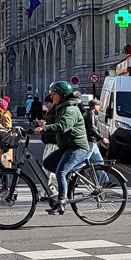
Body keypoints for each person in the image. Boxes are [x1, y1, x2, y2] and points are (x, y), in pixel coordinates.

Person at [35, 80, 89, 212]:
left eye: (54, 94)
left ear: (62, 95)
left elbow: (63, 127)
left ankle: (61, 202)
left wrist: (44, 128)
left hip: (77, 146)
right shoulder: (63, 107)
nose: (52, 96)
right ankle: (68, 177)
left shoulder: (69, 109)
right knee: (48, 163)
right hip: (67, 146)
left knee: (60, 172)